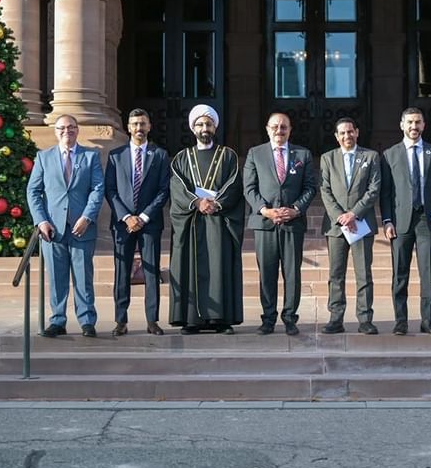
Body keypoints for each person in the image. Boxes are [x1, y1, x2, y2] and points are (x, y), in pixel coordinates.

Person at [26, 114, 105, 338]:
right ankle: (58, 320)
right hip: (53, 230)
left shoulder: (90, 156)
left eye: (71, 127)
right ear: (55, 131)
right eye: (61, 128)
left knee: (83, 277)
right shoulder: (44, 157)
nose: (66, 131)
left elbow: (97, 189)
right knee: (57, 278)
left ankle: (87, 321)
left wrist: (87, 217)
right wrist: (42, 221)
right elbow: (33, 191)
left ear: (77, 130)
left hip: (82, 228)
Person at [168, 105, 244, 335]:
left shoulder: (228, 156)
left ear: (215, 127)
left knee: (219, 266)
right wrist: (197, 202)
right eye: (200, 124)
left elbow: (234, 184)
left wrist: (216, 203)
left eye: (208, 124)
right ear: (193, 128)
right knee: (191, 268)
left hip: (218, 222)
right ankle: (192, 320)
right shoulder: (182, 158)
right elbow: (177, 187)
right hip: (192, 222)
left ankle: (220, 320)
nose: (204, 128)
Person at [243, 111, 318, 336]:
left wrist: (295, 209)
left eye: (283, 127)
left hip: (292, 223)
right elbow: (249, 188)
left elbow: (310, 187)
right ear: (267, 129)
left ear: (290, 130)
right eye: (274, 126)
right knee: (267, 273)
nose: (279, 130)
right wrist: (265, 210)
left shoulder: (302, 154)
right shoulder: (255, 153)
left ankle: (290, 318)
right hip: (264, 223)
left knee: (292, 273)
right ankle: (268, 318)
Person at [380, 107, 431, 336]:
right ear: (402, 125)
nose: (414, 126)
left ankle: (428, 321)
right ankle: (401, 321)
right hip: (400, 221)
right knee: (400, 273)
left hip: (427, 220)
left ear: (423, 125)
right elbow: (386, 192)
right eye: (410, 122)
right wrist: (387, 220)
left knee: (428, 272)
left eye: (418, 122)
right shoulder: (390, 155)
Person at [104, 108, 170, 337]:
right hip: (123, 224)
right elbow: (110, 190)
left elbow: (164, 190)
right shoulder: (115, 155)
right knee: (122, 272)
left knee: (151, 272)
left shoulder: (160, 155)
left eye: (143, 123)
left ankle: (152, 320)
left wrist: (143, 217)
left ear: (149, 126)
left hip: (149, 223)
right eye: (135, 124)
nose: (139, 128)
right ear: (128, 127)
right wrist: (126, 217)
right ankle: (121, 321)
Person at [319, 117, 381, 335]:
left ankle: (365, 319)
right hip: (336, 226)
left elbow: (374, 188)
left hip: (361, 223)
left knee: (363, 274)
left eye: (350, 131)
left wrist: (354, 213)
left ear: (357, 132)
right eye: (343, 133)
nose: (347, 136)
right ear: (337, 137)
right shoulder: (327, 158)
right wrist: (340, 216)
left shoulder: (371, 156)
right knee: (336, 274)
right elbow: (325, 190)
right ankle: (336, 318)